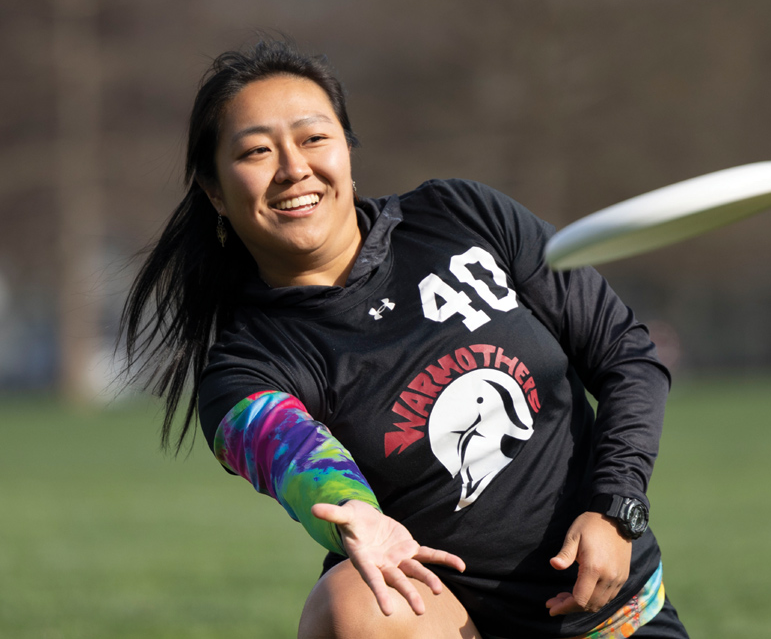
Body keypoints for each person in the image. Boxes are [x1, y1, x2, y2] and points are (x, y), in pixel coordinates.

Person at [120, 38, 689, 639]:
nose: (293, 168)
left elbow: (626, 353)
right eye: (257, 151)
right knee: (355, 603)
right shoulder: (245, 367)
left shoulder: (463, 214)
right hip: (451, 624)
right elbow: (291, 453)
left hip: (611, 619)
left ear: (346, 150)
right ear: (214, 191)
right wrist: (360, 518)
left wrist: (616, 508)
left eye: (314, 139)